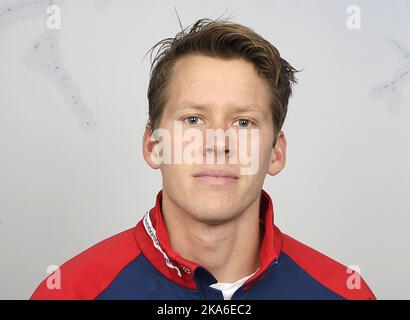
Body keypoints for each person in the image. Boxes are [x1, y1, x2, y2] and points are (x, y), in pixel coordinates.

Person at [31, 18, 376, 300]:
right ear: (154, 145)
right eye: (193, 120)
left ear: (276, 152)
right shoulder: (71, 292)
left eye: (243, 122)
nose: (217, 143)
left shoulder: (345, 294)